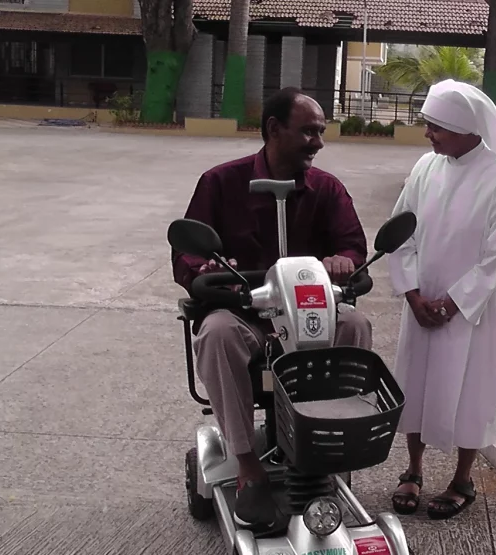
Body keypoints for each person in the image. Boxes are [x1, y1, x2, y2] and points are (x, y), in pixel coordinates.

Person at [172, 87, 373, 528]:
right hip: (245, 314)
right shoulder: (220, 182)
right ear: (273, 129)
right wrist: (203, 267)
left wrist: (345, 261)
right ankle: (248, 467)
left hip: (311, 316)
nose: (318, 142)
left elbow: (352, 246)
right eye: (308, 132)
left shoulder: (327, 189)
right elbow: (185, 259)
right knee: (216, 332)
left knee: (354, 323)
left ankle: (329, 447)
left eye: (321, 132)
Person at [386, 79, 496, 520]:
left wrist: (451, 304)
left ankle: (462, 479)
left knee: (471, 387)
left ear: (466, 127)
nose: (428, 134)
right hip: (422, 299)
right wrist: (413, 295)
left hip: (475, 307)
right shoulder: (424, 169)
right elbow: (400, 233)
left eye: (437, 127)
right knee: (417, 382)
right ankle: (412, 469)